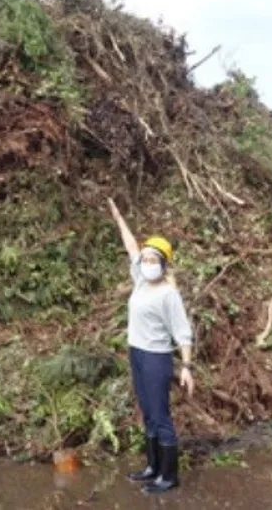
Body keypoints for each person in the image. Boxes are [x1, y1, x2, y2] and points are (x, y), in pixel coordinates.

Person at [107, 197, 195, 495]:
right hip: (137, 354)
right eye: (145, 259)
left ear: (163, 263)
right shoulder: (141, 282)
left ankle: (169, 477)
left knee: (160, 414)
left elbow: (182, 332)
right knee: (147, 411)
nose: (146, 263)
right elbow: (132, 246)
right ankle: (153, 467)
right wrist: (119, 217)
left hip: (158, 358)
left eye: (152, 260)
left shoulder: (168, 294)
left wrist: (186, 367)